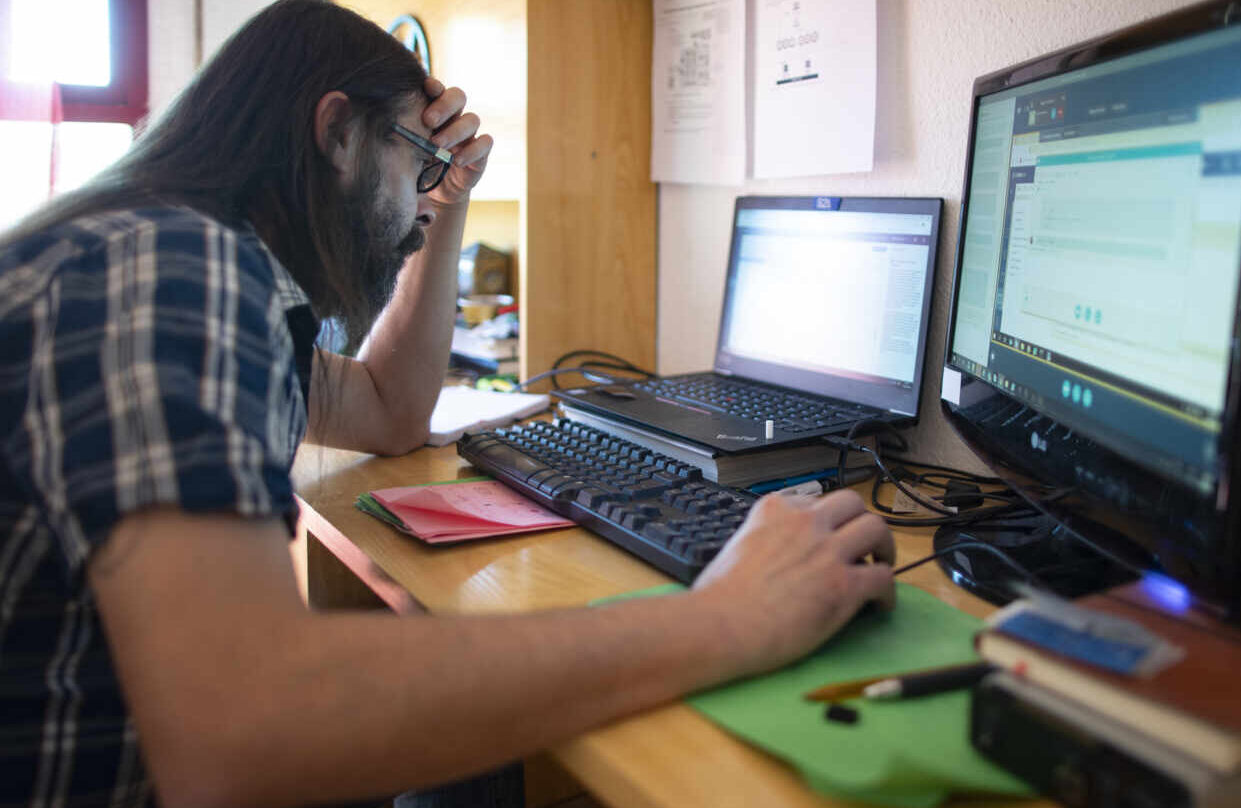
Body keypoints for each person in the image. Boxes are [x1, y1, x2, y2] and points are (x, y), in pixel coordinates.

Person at [0, 2, 896, 805]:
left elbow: (391, 411)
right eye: (417, 162)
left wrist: (449, 201)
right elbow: (244, 725)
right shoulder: (166, 273)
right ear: (337, 132)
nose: (418, 205)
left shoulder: (209, 280)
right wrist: (724, 619)